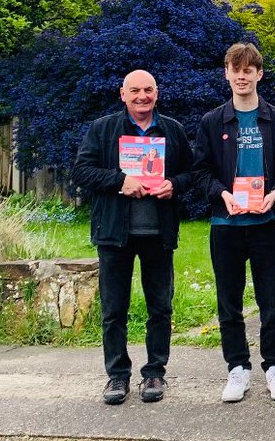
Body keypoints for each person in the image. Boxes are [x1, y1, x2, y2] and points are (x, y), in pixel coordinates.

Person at [73, 70, 194, 405]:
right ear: (122, 94)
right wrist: (119, 180)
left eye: (149, 90)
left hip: (158, 233)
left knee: (160, 308)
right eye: (135, 90)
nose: (143, 96)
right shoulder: (102, 129)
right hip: (115, 234)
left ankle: (155, 372)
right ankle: (117, 376)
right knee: (114, 309)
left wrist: (175, 185)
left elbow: (192, 172)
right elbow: (81, 171)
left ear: (157, 93)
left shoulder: (173, 130)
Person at [193, 42, 275, 403]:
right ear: (226, 73)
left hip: (267, 223)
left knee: (273, 301)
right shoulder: (211, 121)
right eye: (235, 70)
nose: (241, 76)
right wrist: (221, 194)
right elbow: (201, 171)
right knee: (229, 303)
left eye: (248, 70)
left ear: (258, 74)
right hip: (227, 227)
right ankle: (237, 369)